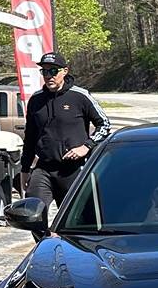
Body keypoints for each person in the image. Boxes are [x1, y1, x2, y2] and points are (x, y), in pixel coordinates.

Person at [20, 52, 111, 230]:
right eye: (44, 72)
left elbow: (105, 125)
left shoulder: (80, 96)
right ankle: (46, 247)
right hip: (44, 168)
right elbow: (30, 137)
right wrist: (25, 169)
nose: (48, 76)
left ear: (65, 71)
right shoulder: (36, 100)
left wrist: (86, 146)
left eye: (53, 71)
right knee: (31, 215)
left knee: (79, 221)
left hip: (73, 168)